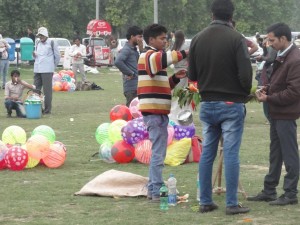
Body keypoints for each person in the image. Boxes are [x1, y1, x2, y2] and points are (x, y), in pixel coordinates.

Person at [188, 0, 252, 215]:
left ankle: (205, 201)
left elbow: (192, 76)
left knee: (207, 153)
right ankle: (232, 204)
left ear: (212, 14)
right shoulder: (236, 39)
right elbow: (245, 74)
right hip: (231, 102)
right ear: (231, 15)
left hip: (207, 103)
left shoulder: (197, 39)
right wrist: (244, 93)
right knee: (231, 153)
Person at [248, 22, 300, 206]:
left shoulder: (295, 58)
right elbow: (280, 82)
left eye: (272, 40)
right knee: (275, 153)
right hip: (277, 112)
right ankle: (269, 189)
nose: (269, 44)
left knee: (289, 153)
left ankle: (290, 193)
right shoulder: (281, 55)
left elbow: (294, 92)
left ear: (284, 39)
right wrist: (267, 89)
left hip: (286, 113)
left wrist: (269, 98)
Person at [137, 23, 188, 202]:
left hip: (158, 113)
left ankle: (153, 189)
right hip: (154, 113)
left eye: (166, 38)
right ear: (151, 40)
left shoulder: (154, 58)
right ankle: (157, 190)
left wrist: (174, 78)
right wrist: (186, 52)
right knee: (158, 154)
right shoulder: (149, 55)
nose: (165, 41)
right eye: (162, 38)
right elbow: (165, 59)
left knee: (158, 152)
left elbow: (163, 86)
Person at [33, 27, 60, 114]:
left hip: (47, 69)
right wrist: (34, 55)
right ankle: (36, 107)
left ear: (46, 35)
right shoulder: (37, 42)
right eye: (39, 35)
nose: (41, 37)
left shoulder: (52, 42)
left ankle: (47, 109)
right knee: (36, 89)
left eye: (42, 35)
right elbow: (37, 54)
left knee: (47, 91)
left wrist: (53, 67)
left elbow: (57, 56)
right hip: (37, 68)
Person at [114, 26, 143, 107]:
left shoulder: (134, 50)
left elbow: (142, 62)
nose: (141, 39)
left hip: (137, 86)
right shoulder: (127, 49)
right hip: (131, 88)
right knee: (132, 113)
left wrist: (141, 49)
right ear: (132, 37)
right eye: (139, 36)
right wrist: (130, 73)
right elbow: (118, 61)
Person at [168, 30, 192, 122]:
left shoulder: (173, 46)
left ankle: (174, 113)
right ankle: (183, 113)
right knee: (185, 95)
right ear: (183, 37)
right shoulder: (186, 46)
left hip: (176, 71)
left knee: (177, 94)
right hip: (184, 72)